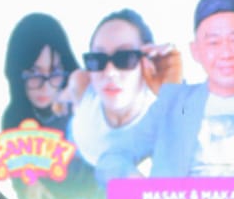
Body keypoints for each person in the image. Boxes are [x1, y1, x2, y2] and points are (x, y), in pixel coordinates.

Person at [96, 0, 234, 180]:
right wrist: (140, 188)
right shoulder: (171, 104)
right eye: (213, 42)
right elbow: (112, 159)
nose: (226, 53)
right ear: (195, 51)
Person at [0, 12, 98, 199]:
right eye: (33, 74)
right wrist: (28, 185)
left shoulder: (85, 109)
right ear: (17, 74)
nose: (45, 86)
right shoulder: (13, 120)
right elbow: (21, 189)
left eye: (54, 73)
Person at [65, 9, 181, 167]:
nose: (109, 72)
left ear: (148, 63)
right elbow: (66, 96)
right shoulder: (81, 83)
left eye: (125, 58)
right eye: (98, 59)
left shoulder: (164, 121)